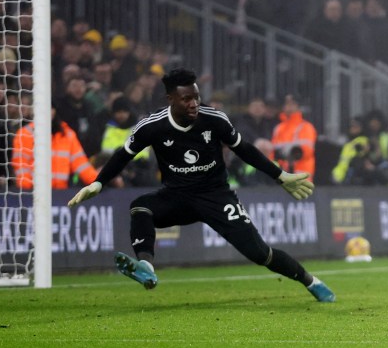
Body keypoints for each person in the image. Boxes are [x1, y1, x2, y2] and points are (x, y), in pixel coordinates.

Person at [67, 68, 335, 302]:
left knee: (260, 254)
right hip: (177, 197)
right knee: (140, 207)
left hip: (216, 197)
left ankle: (311, 281)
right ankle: (146, 266)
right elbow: (123, 155)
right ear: (170, 99)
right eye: (186, 99)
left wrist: (280, 176)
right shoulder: (152, 126)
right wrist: (99, 183)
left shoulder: (214, 119)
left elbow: (244, 149)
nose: (194, 103)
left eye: (196, 96)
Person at [12, 103, 99, 190]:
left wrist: (99, 182)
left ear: (55, 111)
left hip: (59, 194)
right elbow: (21, 165)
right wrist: (26, 189)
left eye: (50, 108)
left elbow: (82, 164)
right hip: (34, 193)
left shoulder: (67, 135)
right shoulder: (25, 134)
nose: (47, 112)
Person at [271, 94, 317, 180]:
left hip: (300, 172)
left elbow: (306, 151)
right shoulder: (278, 128)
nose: (289, 107)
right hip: (281, 173)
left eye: (292, 104)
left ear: (298, 107)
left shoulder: (306, 127)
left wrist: (287, 152)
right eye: (286, 104)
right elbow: (273, 152)